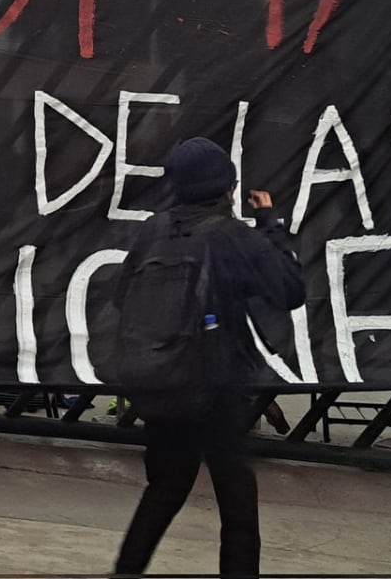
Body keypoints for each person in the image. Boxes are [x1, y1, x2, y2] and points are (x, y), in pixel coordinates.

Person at [111, 138, 305, 579]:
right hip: (216, 389)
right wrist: (271, 224)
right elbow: (290, 290)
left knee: (165, 489)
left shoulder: (152, 231)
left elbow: (122, 298)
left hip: (160, 382)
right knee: (236, 502)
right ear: (226, 188)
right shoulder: (232, 236)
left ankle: (124, 573)